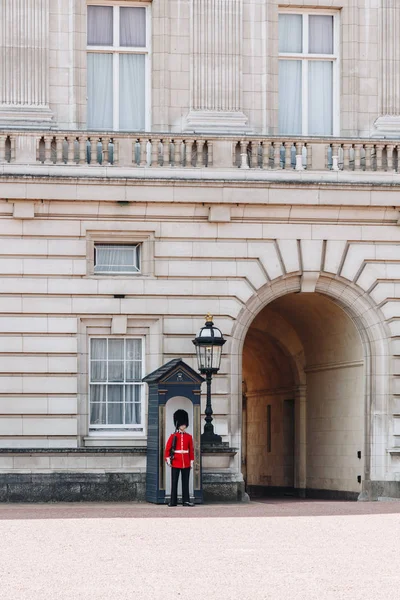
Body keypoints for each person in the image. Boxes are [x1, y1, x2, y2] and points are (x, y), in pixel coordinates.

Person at [165, 409, 195, 507]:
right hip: (176, 461)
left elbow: (191, 450)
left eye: (185, 424)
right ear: (178, 424)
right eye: (182, 424)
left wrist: (191, 461)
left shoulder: (189, 437)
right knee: (174, 482)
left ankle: (185, 500)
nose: (184, 426)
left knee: (185, 482)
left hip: (185, 461)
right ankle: (173, 501)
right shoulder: (173, 436)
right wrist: (168, 459)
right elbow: (168, 449)